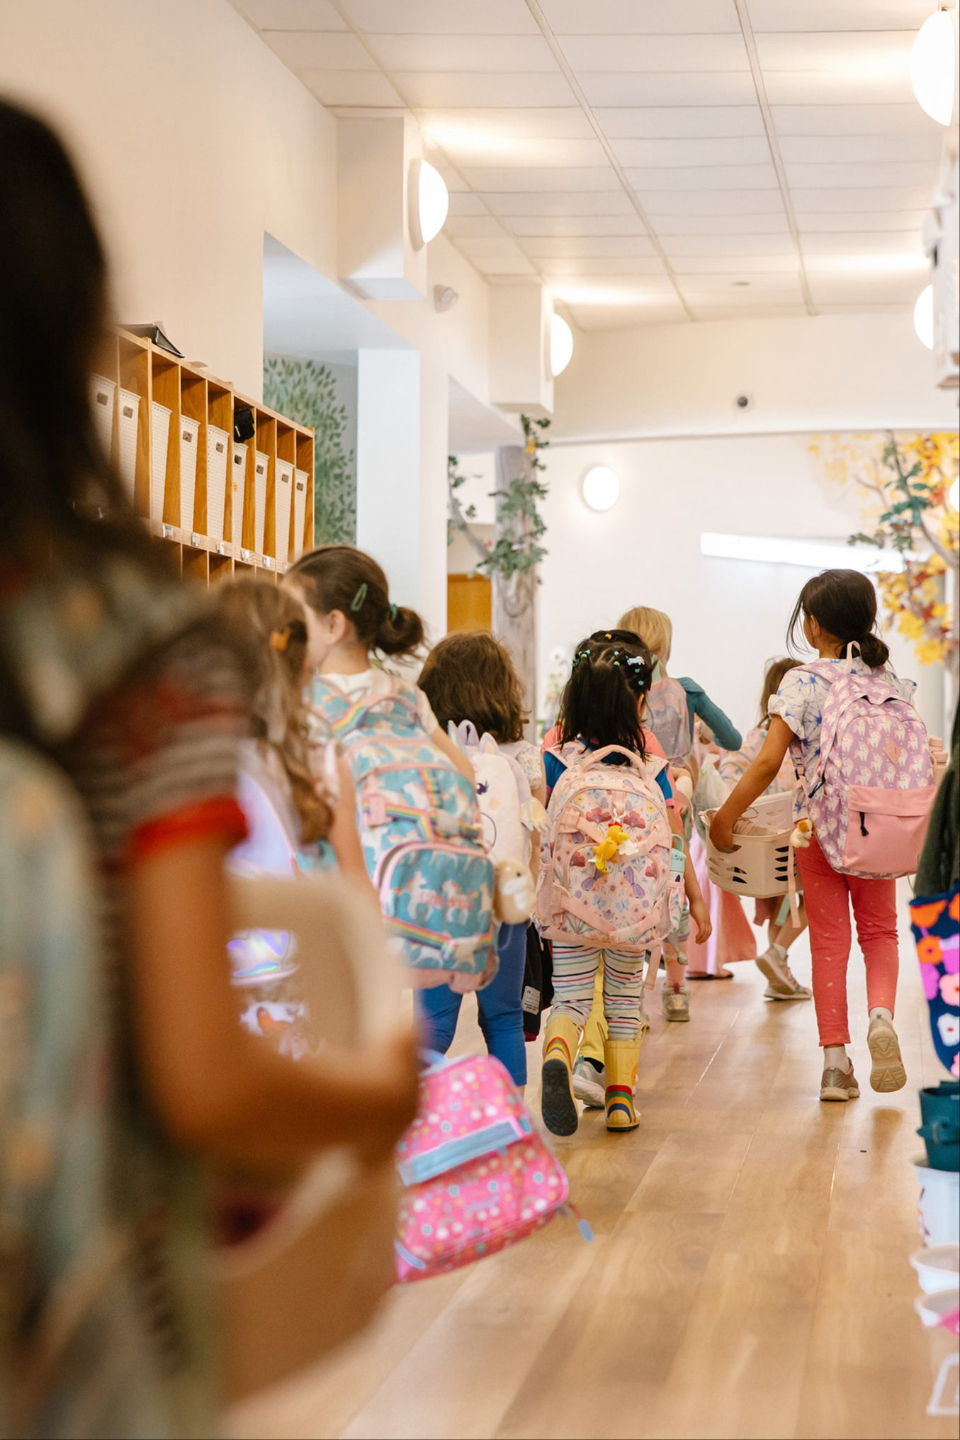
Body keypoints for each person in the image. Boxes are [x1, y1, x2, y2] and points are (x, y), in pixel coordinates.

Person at [0, 99, 418, 1437]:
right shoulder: (132, 649)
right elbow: (203, 1075)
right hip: (71, 1334)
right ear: (75, 332)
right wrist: (383, 1090)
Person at [710, 570, 920, 1101]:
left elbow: (765, 762)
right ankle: (880, 1018)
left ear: (812, 624)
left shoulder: (802, 681)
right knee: (880, 933)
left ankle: (833, 1065)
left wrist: (725, 817)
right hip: (882, 829)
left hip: (817, 832)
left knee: (829, 942)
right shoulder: (890, 683)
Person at [538, 634, 711, 1137]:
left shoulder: (556, 761)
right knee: (621, 1002)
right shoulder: (655, 771)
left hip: (572, 911)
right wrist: (690, 901)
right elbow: (673, 842)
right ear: (639, 705)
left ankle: (558, 1054)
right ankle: (620, 1104)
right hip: (634, 914)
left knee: (571, 998)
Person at [213, 578, 374, 1055]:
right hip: (300, 983)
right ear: (303, 665)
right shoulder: (321, 759)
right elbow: (356, 891)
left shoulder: (190, 759)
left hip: (213, 980)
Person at [416, 630, 547, 1089]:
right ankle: (510, 1131)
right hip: (504, 903)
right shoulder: (525, 758)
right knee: (506, 1019)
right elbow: (534, 838)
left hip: (438, 902)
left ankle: (410, 1124)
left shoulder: (425, 753)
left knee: (430, 1025)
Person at [284, 544, 474, 784]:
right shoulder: (407, 696)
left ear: (334, 625)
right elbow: (464, 773)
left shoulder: (303, 701)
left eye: (295, 616)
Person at [718, 657, 812, 1001]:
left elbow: (728, 774)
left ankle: (779, 972)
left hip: (759, 846)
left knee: (779, 906)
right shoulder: (802, 742)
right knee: (812, 898)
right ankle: (778, 955)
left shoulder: (754, 739)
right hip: (794, 841)